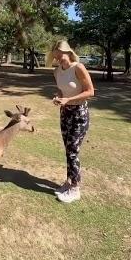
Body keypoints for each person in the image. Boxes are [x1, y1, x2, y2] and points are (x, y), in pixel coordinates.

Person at [51, 40, 95, 203]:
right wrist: (58, 98)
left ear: (68, 52)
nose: (58, 57)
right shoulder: (57, 71)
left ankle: (75, 188)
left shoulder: (78, 67)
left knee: (73, 150)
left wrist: (68, 99)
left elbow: (90, 92)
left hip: (79, 113)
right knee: (68, 149)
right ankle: (69, 182)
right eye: (56, 54)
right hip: (65, 113)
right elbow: (61, 89)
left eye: (60, 53)